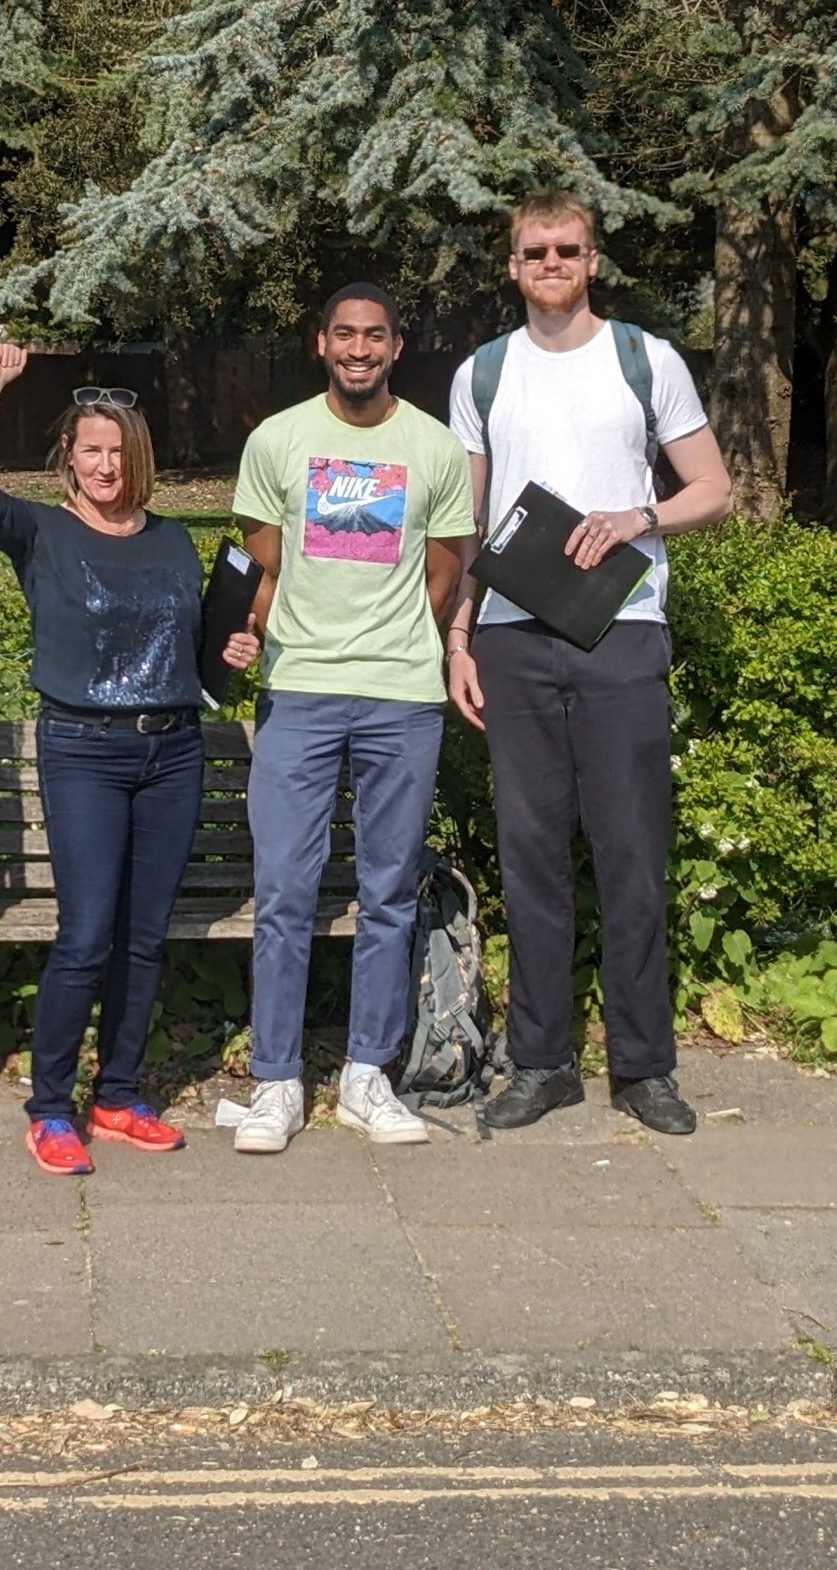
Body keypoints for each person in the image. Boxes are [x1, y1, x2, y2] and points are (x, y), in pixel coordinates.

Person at [445, 189, 734, 1135]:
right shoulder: (483, 375)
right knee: (531, 855)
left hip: (623, 630)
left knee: (631, 852)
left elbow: (715, 489)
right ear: (513, 265)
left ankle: (645, 1069)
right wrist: (458, 634)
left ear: (594, 260)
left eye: (569, 249)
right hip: (515, 639)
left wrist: (636, 517)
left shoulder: (645, 360)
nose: (553, 264)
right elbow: (469, 523)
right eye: (536, 252)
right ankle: (542, 1061)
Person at [0, 346, 261, 1176]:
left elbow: (193, 656)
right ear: (69, 459)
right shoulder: (41, 531)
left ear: (138, 459)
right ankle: (50, 1105)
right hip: (83, 750)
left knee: (144, 938)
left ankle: (119, 1095)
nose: (106, 465)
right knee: (86, 936)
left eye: (119, 451)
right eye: (91, 449)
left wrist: (229, 647)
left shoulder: (172, 542)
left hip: (173, 751)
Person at [231, 283, 479, 1154]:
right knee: (286, 895)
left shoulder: (435, 449)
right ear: (321, 342)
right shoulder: (279, 440)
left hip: (403, 696)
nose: (359, 348)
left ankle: (368, 1077)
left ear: (396, 348)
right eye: (345, 334)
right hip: (298, 688)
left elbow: (445, 570)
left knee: (386, 895)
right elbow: (266, 548)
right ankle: (276, 1081)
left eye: (375, 335)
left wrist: (396, 633)